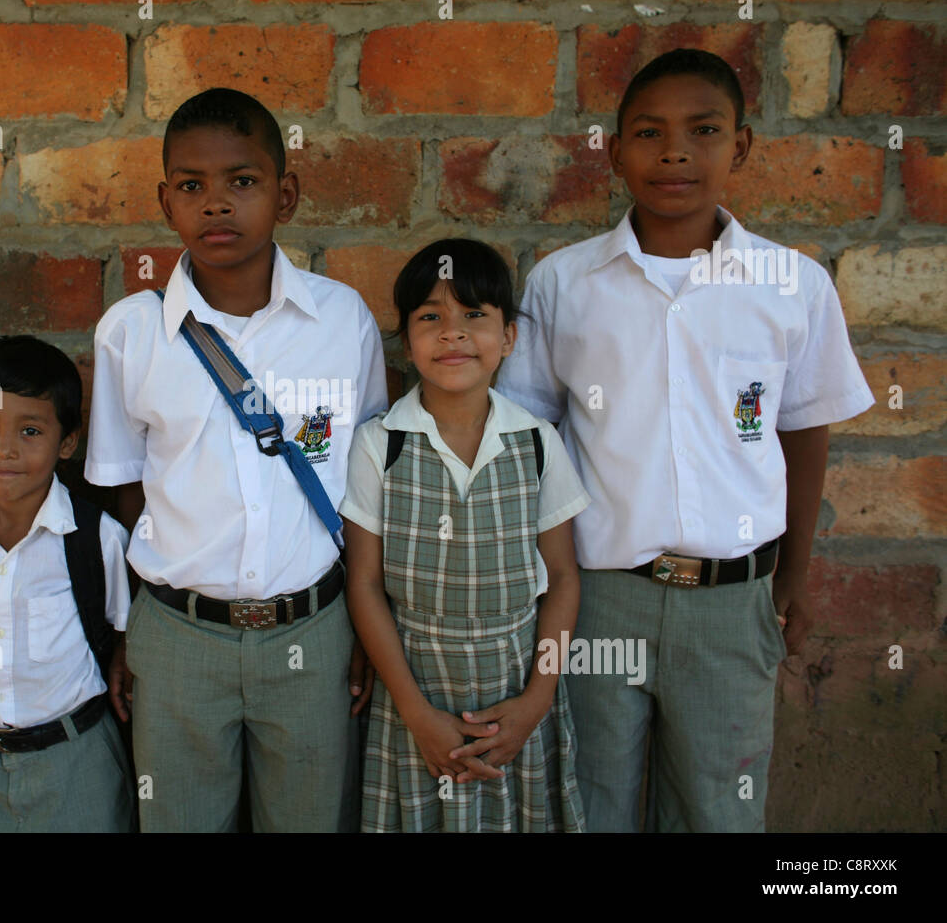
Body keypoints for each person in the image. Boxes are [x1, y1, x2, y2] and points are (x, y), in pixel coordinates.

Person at [496, 48, 875, 832]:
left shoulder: (791, 286)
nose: (675, 152)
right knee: (588, 801)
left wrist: (794, 577)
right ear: (613, 151)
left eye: (703, 130)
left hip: (733, 603)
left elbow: (804, 433)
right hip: (598, 599)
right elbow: (527, 441)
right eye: (649, 132)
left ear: (740, 146)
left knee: (719, 808)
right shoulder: (562, 284)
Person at [86, 87, 388, 832]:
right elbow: (124, 492)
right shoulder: (132, 333)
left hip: (313, 630)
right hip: (180, 635)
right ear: (166, 202)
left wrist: (361, 623)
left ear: (285, 194)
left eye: (242, 183)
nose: (216, 204)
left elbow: (366, 484)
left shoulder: (341, 319)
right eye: (192, 186)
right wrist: (132, 631)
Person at [341, 239, 589, 832]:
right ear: (405, 339)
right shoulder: (382, 444)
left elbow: (562, 580)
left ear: (508, 338)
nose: (453, 334)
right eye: (431, 317)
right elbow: (366, 583)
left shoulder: (534, 443)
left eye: (474, 315)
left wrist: (535, 702)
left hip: (516, 687)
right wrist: (414, 710)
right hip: (415, 689)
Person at [0, 336, 136, 832]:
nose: (4, 449)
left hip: (76, 755)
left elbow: (125, 632)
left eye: (30, 430)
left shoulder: (94, 537)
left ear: (68, 442)